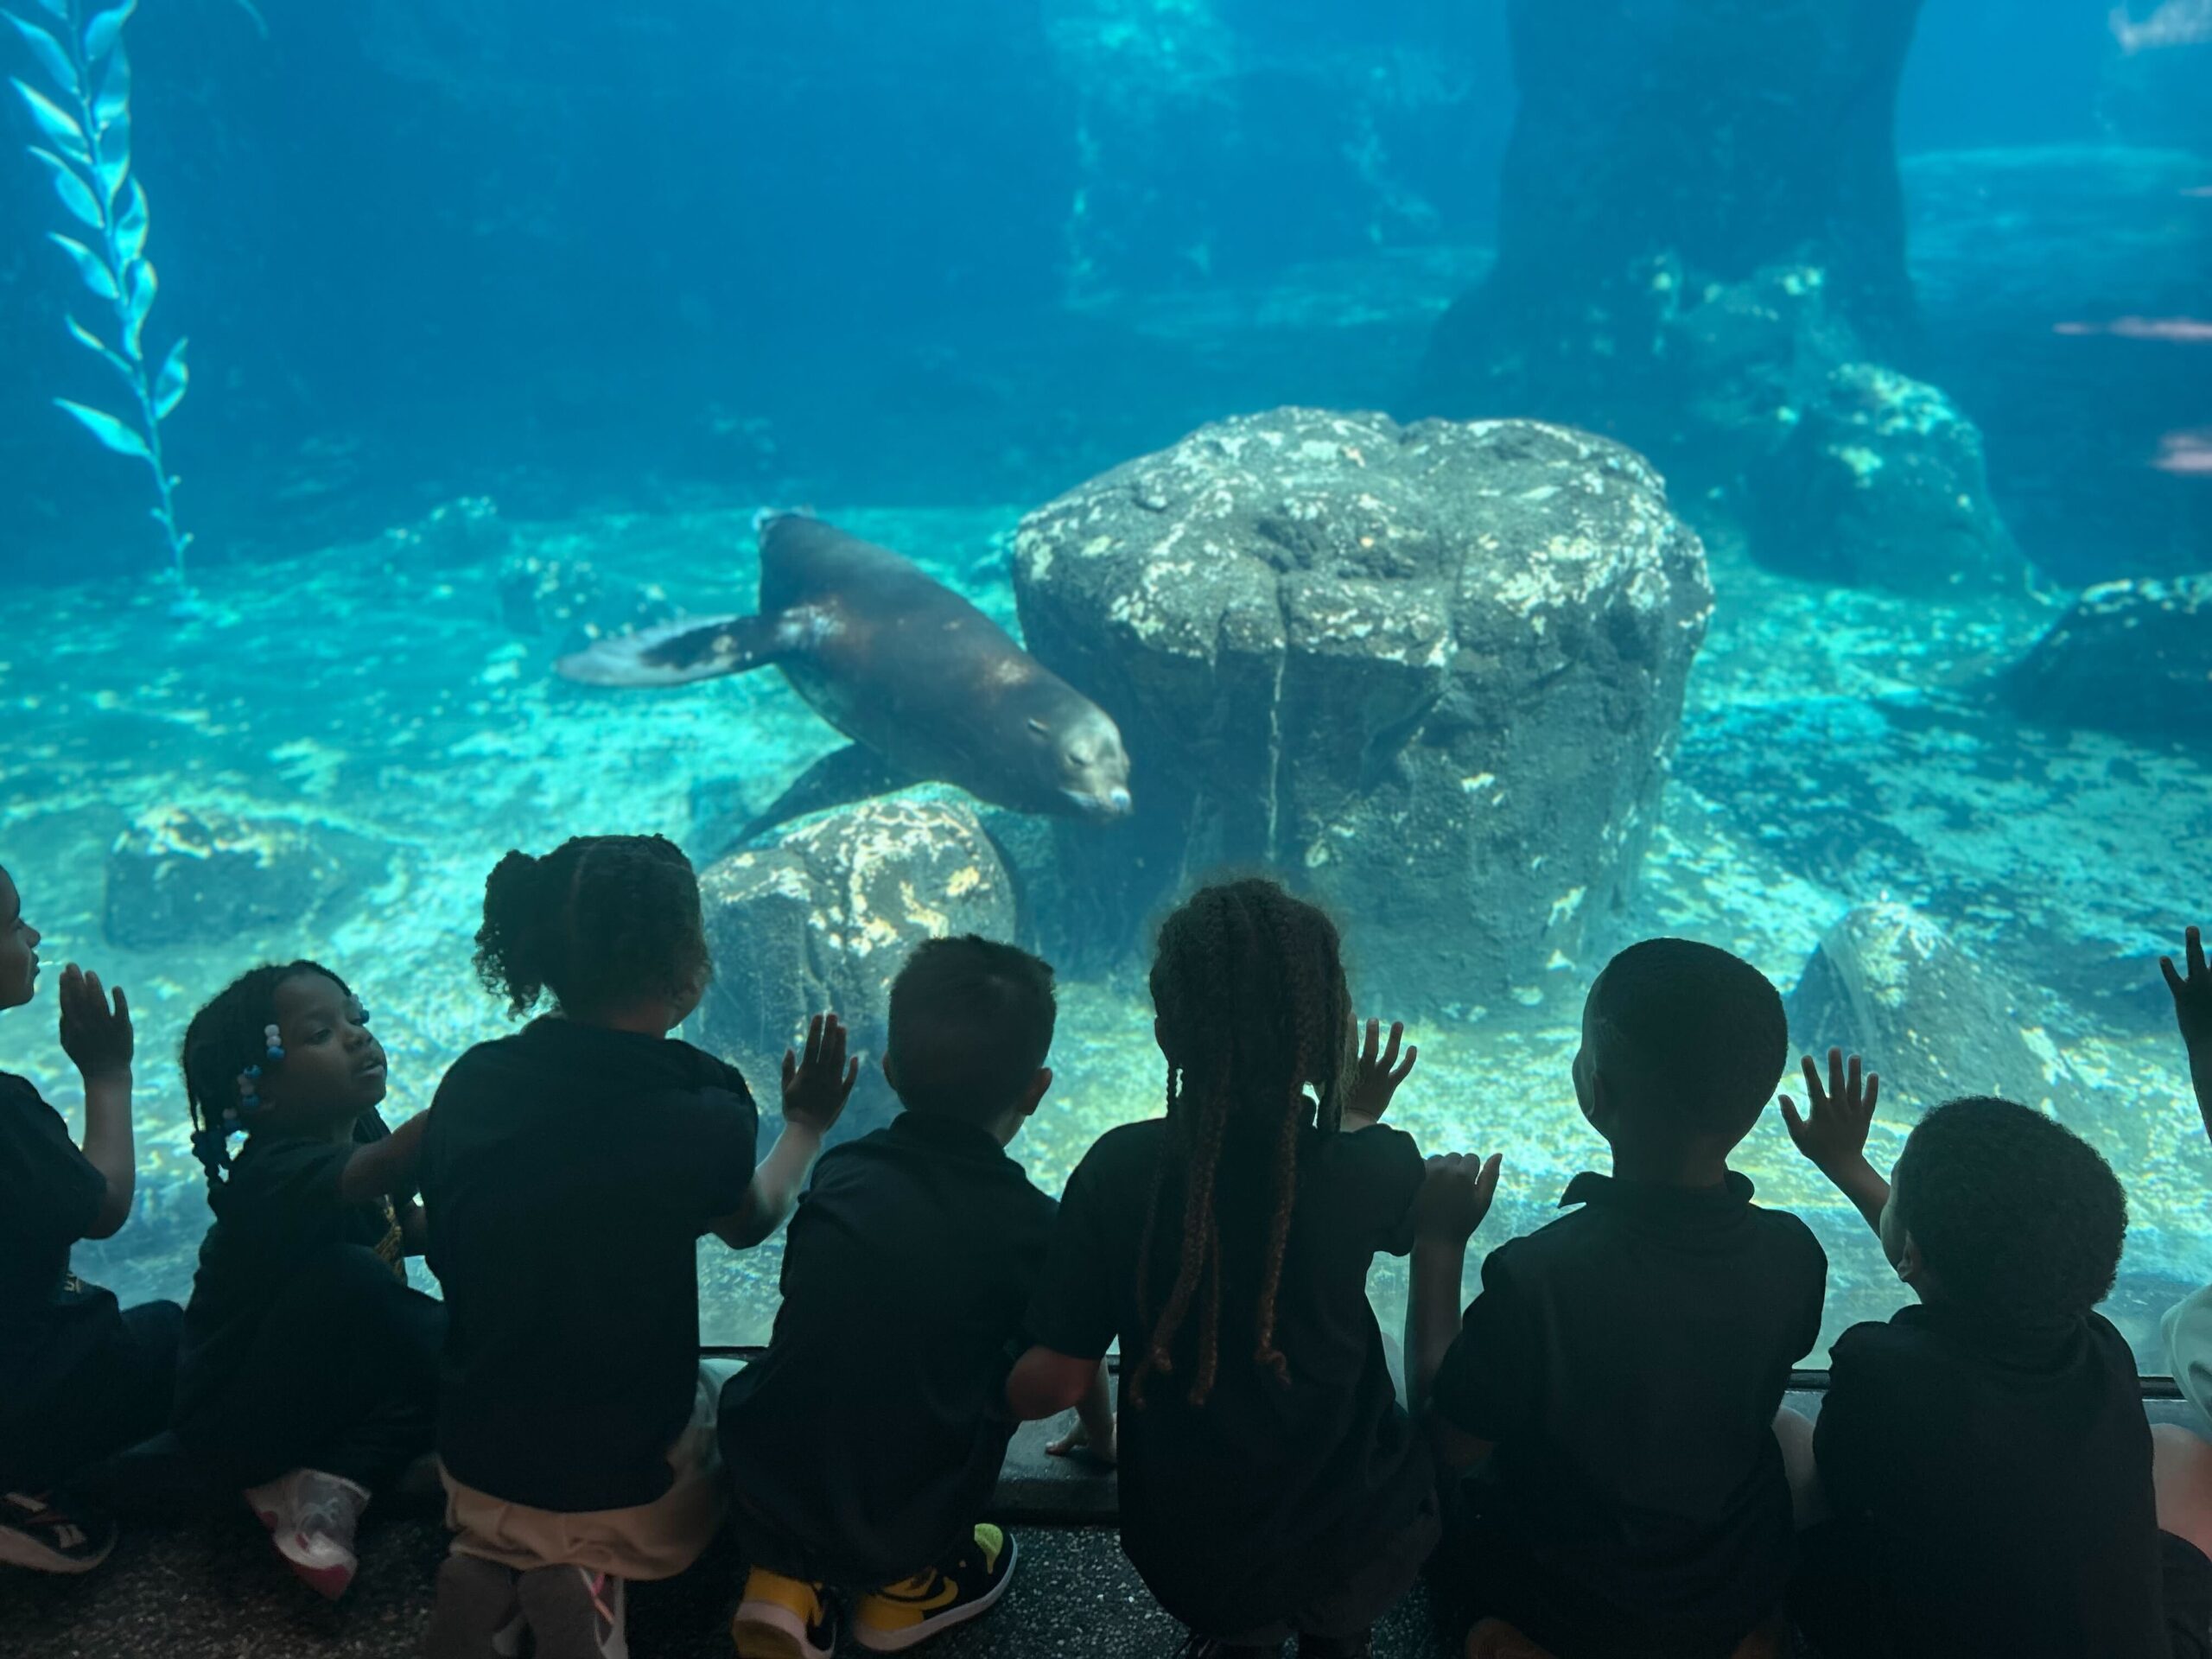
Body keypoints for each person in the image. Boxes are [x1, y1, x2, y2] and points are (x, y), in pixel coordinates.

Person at [422, 834, 855, 1659]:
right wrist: (806, 1123)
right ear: (689, 964)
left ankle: (493, 1572)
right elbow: (750, 1220)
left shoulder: (473, 1079)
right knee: (735, 1402)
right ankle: (591, 1589)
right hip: (625, 1489)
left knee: (537, 1432)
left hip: (474, 1459)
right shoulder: (702, 1103)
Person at [1008, 878, 1446, 1659]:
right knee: (1345, 1597)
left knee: (1234, 1612)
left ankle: (1239, 1640)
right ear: (1327, 1034)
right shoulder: (1374, 1168)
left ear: (1167, 1032)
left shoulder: (1122, 1171)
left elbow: (1066, 1364)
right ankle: (1338, 1639)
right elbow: (1331, 1184)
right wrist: (1361, 1114)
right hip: (1357, 1526)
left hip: (1194, 1540)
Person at [1408, 938, 1825, 1659]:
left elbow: (1447, 1438)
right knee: (1785, 1427)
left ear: (1595, 1090)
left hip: (1564, 1605)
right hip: (1725, 1596)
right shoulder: (1795, 1255)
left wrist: (1438, 1248)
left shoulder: (1539, 1275)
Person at [724, 935, 1100, 1659]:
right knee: (957, 1403)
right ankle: (906, 1591)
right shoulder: (1036, 1225)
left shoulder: (842, 1170)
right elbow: (1070, 1344)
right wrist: (1105, 1442)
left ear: (891, 1072)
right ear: (1036, 1089)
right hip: (908, 1509)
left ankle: (784, 1586)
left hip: (764, 1468)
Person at [1783, 1041, 2212, 1659]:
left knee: (1786, 1441)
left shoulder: (1877, 1371)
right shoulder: (2103, 1353)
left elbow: (1847, 1491)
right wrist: (1850, 1167)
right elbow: (1951, 1256)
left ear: (1911, 1255)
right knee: (2179, 1452)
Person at [172, 960, 444, 1600]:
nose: (356, 1036)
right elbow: (381, 1170)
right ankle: (286, 1478)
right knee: (358, 1284)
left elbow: (406, 1223)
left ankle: (325, 1484)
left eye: (357, 1018)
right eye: (320, 1033)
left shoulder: (362, 1127)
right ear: (258, 1092)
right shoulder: (272, 1171)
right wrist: (484, 1090)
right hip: (240, 1417)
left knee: (420, 1375)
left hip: (329, 1386)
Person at [0, 862, 180, 1573]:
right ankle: (41, 1496)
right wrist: (108, 1074)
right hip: (26, 1393)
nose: (33, 934)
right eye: (13, 923)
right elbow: (104, 1207)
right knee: (168, 1333)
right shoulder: (6, 1115)